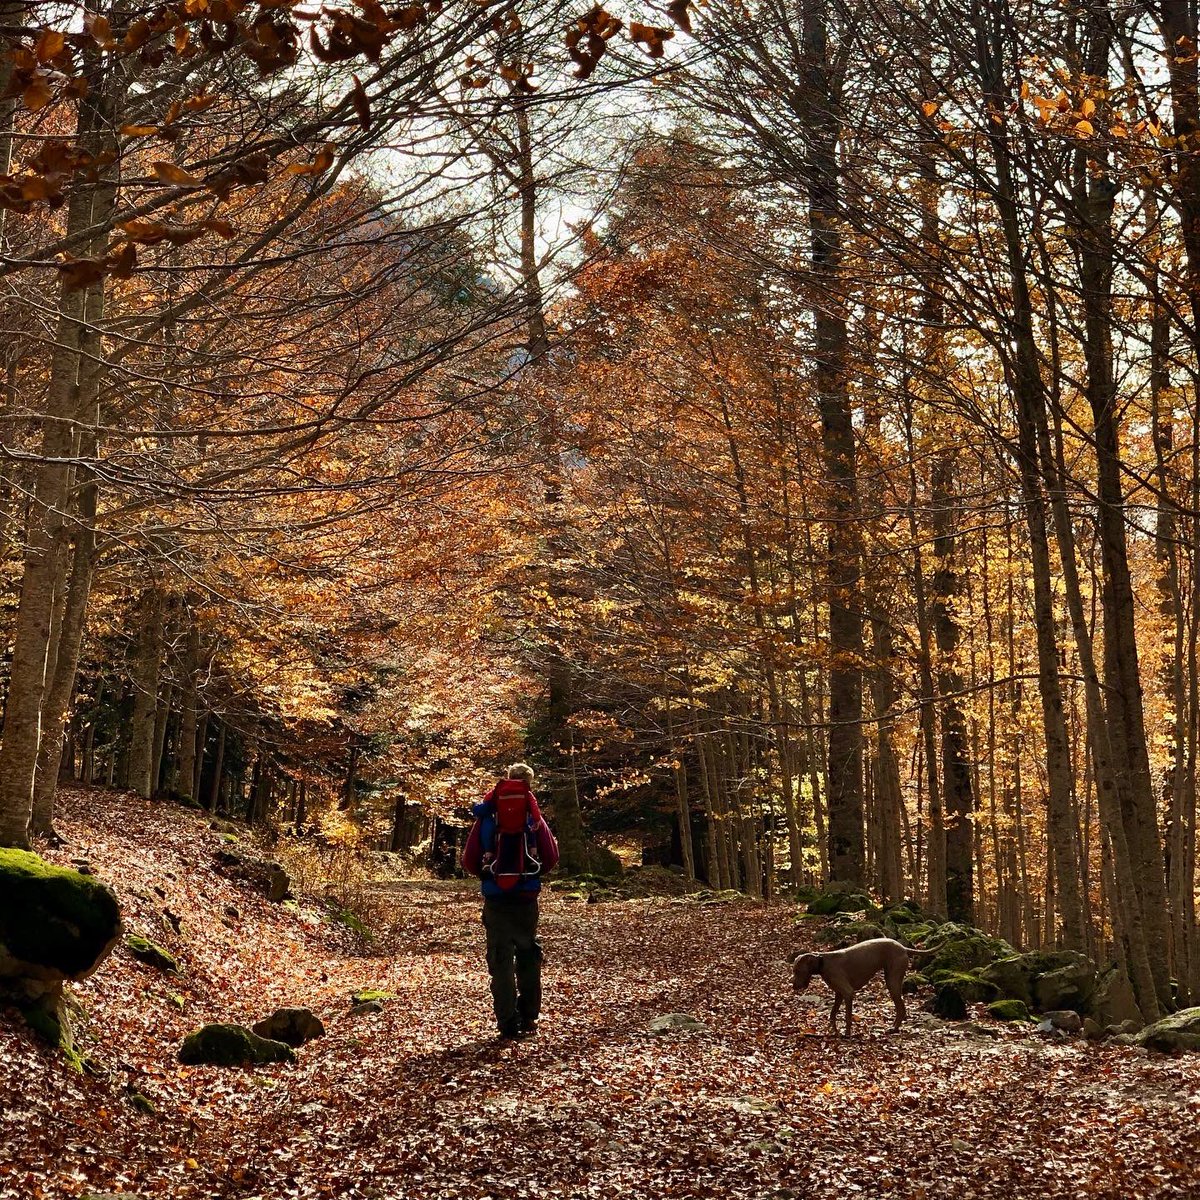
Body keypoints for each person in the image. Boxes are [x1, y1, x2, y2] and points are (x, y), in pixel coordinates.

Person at [461, 763, 559, 1039]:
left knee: (500, 959)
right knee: (528, 954)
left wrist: (487, 873)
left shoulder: (488, 815)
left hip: (496, 900)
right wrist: (531, 873)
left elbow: (469, 860)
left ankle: (506, 1021)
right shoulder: (533, 816)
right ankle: (529, 1015)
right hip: (526, 899)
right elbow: (551, 856)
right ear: (528, 784)